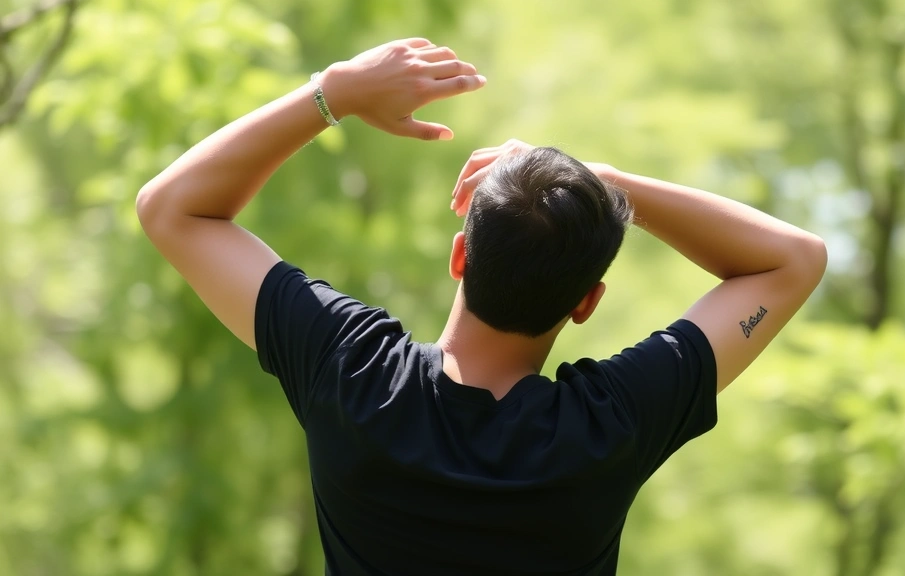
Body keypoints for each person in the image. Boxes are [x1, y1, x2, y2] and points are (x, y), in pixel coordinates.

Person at [137, 38, 827, 576]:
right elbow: (793, 260)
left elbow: (173, 209)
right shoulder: (608, 429)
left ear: (460, 255)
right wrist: (602, 183)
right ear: (586, 302)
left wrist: (334, 92)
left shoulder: (353, 374)